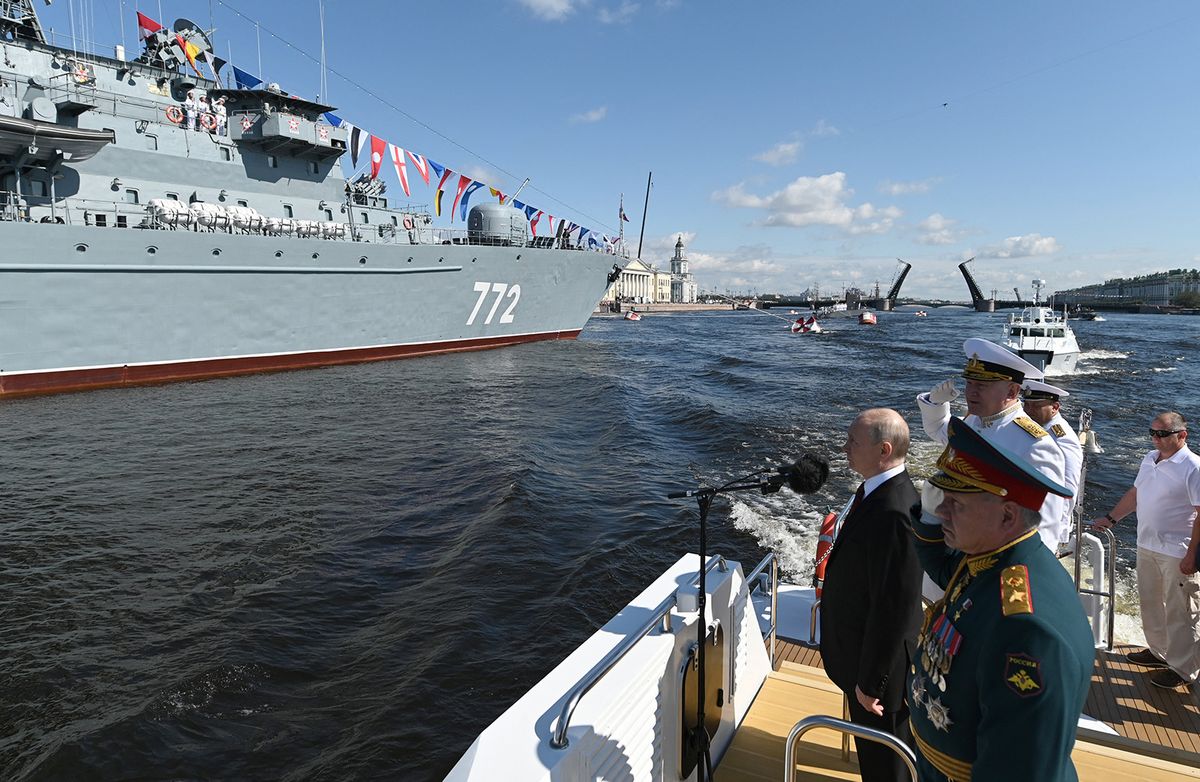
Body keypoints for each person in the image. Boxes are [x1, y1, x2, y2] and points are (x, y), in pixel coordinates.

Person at [909, 417, 1094, 782]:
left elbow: (1019, 769)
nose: (942, 511)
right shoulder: (988, 560)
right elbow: (947, 574)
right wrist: (931, 521)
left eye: (955, 504)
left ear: (1007, 514)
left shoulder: (1026, 627)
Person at [819, 408, 923, 782]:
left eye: (853, 441)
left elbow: (894, 606)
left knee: (886, 768)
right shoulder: (876, 493)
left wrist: (870, 682)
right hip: (864, 662)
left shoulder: (894, 511)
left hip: (880, 678)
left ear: (883, 449)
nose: (845, 447)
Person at [916, 337, 1068, 552]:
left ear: (1012, 392)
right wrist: (935, 402)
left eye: (982, 385)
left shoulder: (1034, 444)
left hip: (990, 560)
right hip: (953, 542)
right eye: (969, 383)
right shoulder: (973, 422)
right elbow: (940, 431)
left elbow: (1044, 526)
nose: (971, 392)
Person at [1093, 411, 1200, 689]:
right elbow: (1136, 494)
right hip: (1146, 544)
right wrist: (1112, 518)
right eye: (1152, 433)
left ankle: (1183, 669)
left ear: (1182, 435)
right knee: (1151, 602)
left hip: (1178, 551)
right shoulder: (1149, 459)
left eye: (1162, 434)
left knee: (1180, 611)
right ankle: (1158, 652)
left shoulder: (1193, 466)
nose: (1155, 438)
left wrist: (1193, 554)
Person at [1022, 379, 1084, 534]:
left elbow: (1067, 489)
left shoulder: (1062, 438)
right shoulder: (1032, 429)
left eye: (1036, 406)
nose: (1028, 411)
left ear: (1055, 408)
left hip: (1047, 524)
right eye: (1026, 405)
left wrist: (1059, 531)